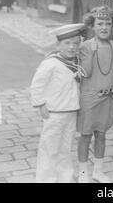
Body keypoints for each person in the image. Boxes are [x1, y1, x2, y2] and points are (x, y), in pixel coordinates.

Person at [77, 6, 113, 183]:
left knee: (101, 135)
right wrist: (90, 52)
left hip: (107, 99)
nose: (104, 27)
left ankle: (98, 171)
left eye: (108, 24)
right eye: (100, 24)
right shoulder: (86, 46)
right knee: (86, 136)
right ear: (92, 26)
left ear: (112, 26)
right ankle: (83, 172)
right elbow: (85, 72)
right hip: (90, 99)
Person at [30, 23, 85, 183]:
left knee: (65, 147)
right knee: (49, 148)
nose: (72, 47)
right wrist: (40, 104)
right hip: (54, 113)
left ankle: (65, 177)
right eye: (67, 43)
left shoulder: (77, 61)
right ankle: (46, 178)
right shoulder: (51, 63)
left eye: (75, 43)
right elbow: (37, 85)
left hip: (71, 111)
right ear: (58, 44)